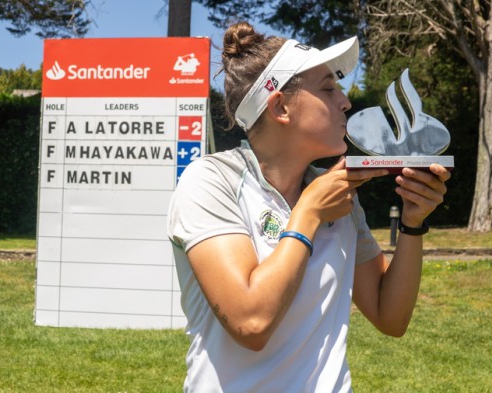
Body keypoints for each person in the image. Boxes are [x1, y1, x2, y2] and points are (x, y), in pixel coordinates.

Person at [167, 21, 450, 392]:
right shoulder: (210, 181)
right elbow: (251, 323)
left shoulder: (339, 195)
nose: (345, 102)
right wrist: (308, 214)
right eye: (329, 88)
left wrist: (414, 224)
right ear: (280, 107)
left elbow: (390, 317)